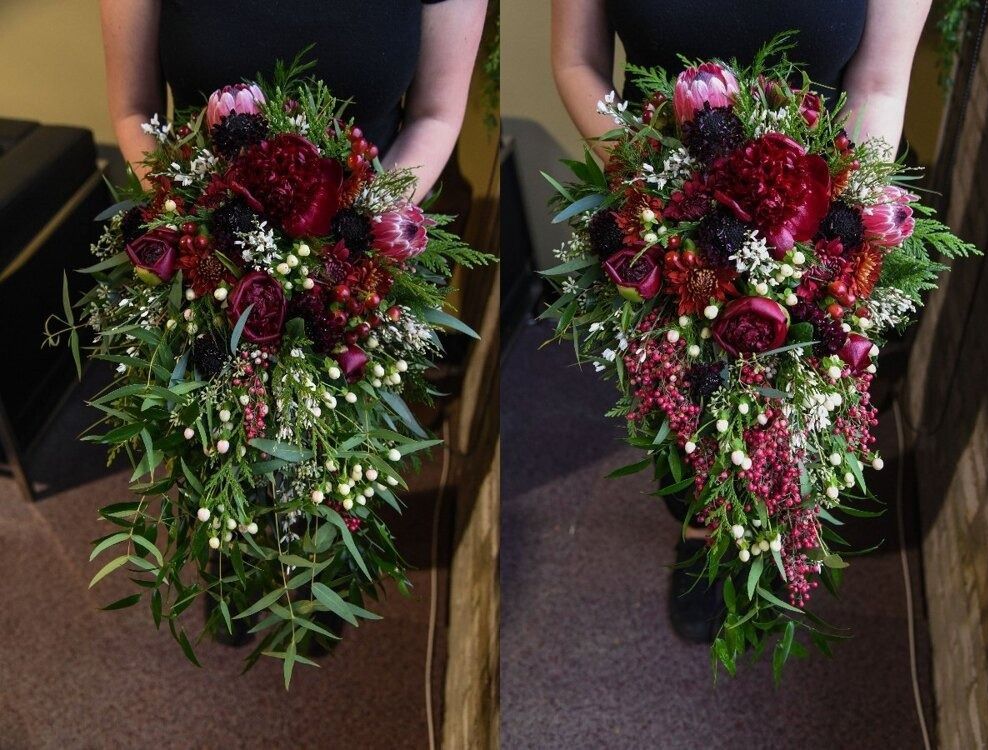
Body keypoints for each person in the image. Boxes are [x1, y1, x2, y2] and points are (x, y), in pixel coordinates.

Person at [98, 0, 487, 648]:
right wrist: (205, 219)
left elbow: (435, 114)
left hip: (355, 252)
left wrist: (349, 233)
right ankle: (229, 553)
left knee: (331, 449)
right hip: (205, 248)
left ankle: (318, 565)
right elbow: (135, 111)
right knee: (220, 439)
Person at [551, 0, 931, 642]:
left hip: (818, 223)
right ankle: (701, 522)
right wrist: (665, 195)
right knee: (684, 398)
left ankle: (777, 522)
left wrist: (827, 234)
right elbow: (576, 61)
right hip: (666, 214)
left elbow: (879, 81)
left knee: (796, 401)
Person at [100, 0, 488, 203]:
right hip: (196, 257)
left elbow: (435, 116)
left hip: (361, 281)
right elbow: (134, 109)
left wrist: (367, 229)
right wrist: (182, 215)